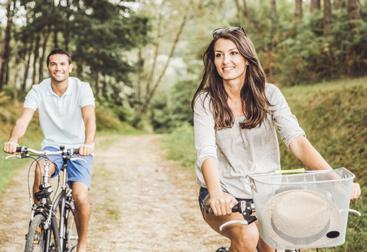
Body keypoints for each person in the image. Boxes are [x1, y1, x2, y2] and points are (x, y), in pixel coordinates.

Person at [191, 27, 361, 252]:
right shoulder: (206, 101)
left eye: (233, 53)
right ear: (213, 61)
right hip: (225, 193)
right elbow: (206, 152)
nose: (226, 61)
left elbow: (297, 142)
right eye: (219, 55)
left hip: (266, 194)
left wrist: (336, 182)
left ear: (247, 58)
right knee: (247, 235)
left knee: (272, 247)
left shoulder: (269, 95)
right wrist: (216, 193)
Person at [3, 48, 96, 252]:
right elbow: (24, 119)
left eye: (63, 64)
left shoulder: (82, 88)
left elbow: (89, 118)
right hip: (52, 146)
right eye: (53, 64)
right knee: (39, 169)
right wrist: (13, 139)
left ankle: (82, 243)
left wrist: (88, 143)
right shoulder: (38, 90)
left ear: (70, 67)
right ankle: (40, 215)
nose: (58, 68)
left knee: (80, 196)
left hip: (79, 148)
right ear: (48, 67)